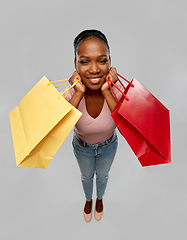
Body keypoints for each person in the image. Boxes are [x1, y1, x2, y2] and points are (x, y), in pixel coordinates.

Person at [65, 29, 123, 222]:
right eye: (84, 61)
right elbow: (63, 125)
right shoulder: (72, 92)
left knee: (103, 176)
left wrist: (108, 92)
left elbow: (123, 126)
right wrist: (79, 93)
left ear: (109, 63)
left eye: (102, 60)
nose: (94, 69)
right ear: (75, 64)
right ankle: (88, 200)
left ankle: (99, 199)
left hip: (109, 145)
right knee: (87, 177)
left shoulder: (117, 90)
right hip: (82, 148)